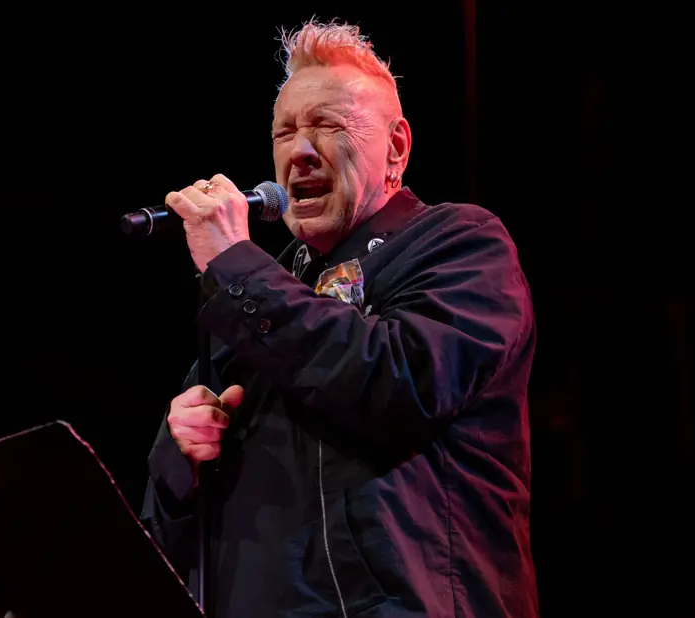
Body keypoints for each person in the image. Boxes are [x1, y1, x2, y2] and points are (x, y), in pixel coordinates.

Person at [140, 19, 539, 618]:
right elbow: (163, 545)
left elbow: (396, 383)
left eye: (327, 125)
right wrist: (179, 454)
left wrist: (235, 265)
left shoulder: (459, 244)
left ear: (396, 147)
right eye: (285, 132)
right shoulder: (253, 295)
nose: (299, 152)